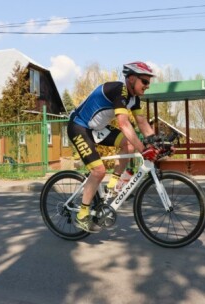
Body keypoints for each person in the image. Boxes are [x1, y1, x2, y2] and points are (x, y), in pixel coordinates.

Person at [67, 61, 160, 233]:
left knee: (128, 146)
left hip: (96, 128)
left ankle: (113, 185)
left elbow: (142, 123)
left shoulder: (134, 99)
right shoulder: (119, 91)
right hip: (79, 126)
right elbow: (124, 124)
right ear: (131, 79)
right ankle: (82, 214)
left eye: (149, 82)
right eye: (145, 81)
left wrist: (156, 142)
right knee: (98, 171)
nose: (147, 86)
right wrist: (144, 149)